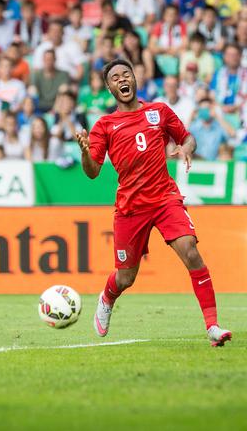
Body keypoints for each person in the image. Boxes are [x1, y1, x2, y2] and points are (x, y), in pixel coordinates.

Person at [74, 59, 232, 346]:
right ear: (109, 87)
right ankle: (108, 297)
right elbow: (93, 171)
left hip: (164, 198)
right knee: (126, 278)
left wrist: (185, 147)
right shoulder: (104, 125)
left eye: (126, 74)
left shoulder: (158, 111)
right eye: (115, 77)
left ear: (134, 79)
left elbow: (188, 138)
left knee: (191, 251)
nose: (122, 79)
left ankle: (213, 326)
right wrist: (85, 152)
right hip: (130, 207)